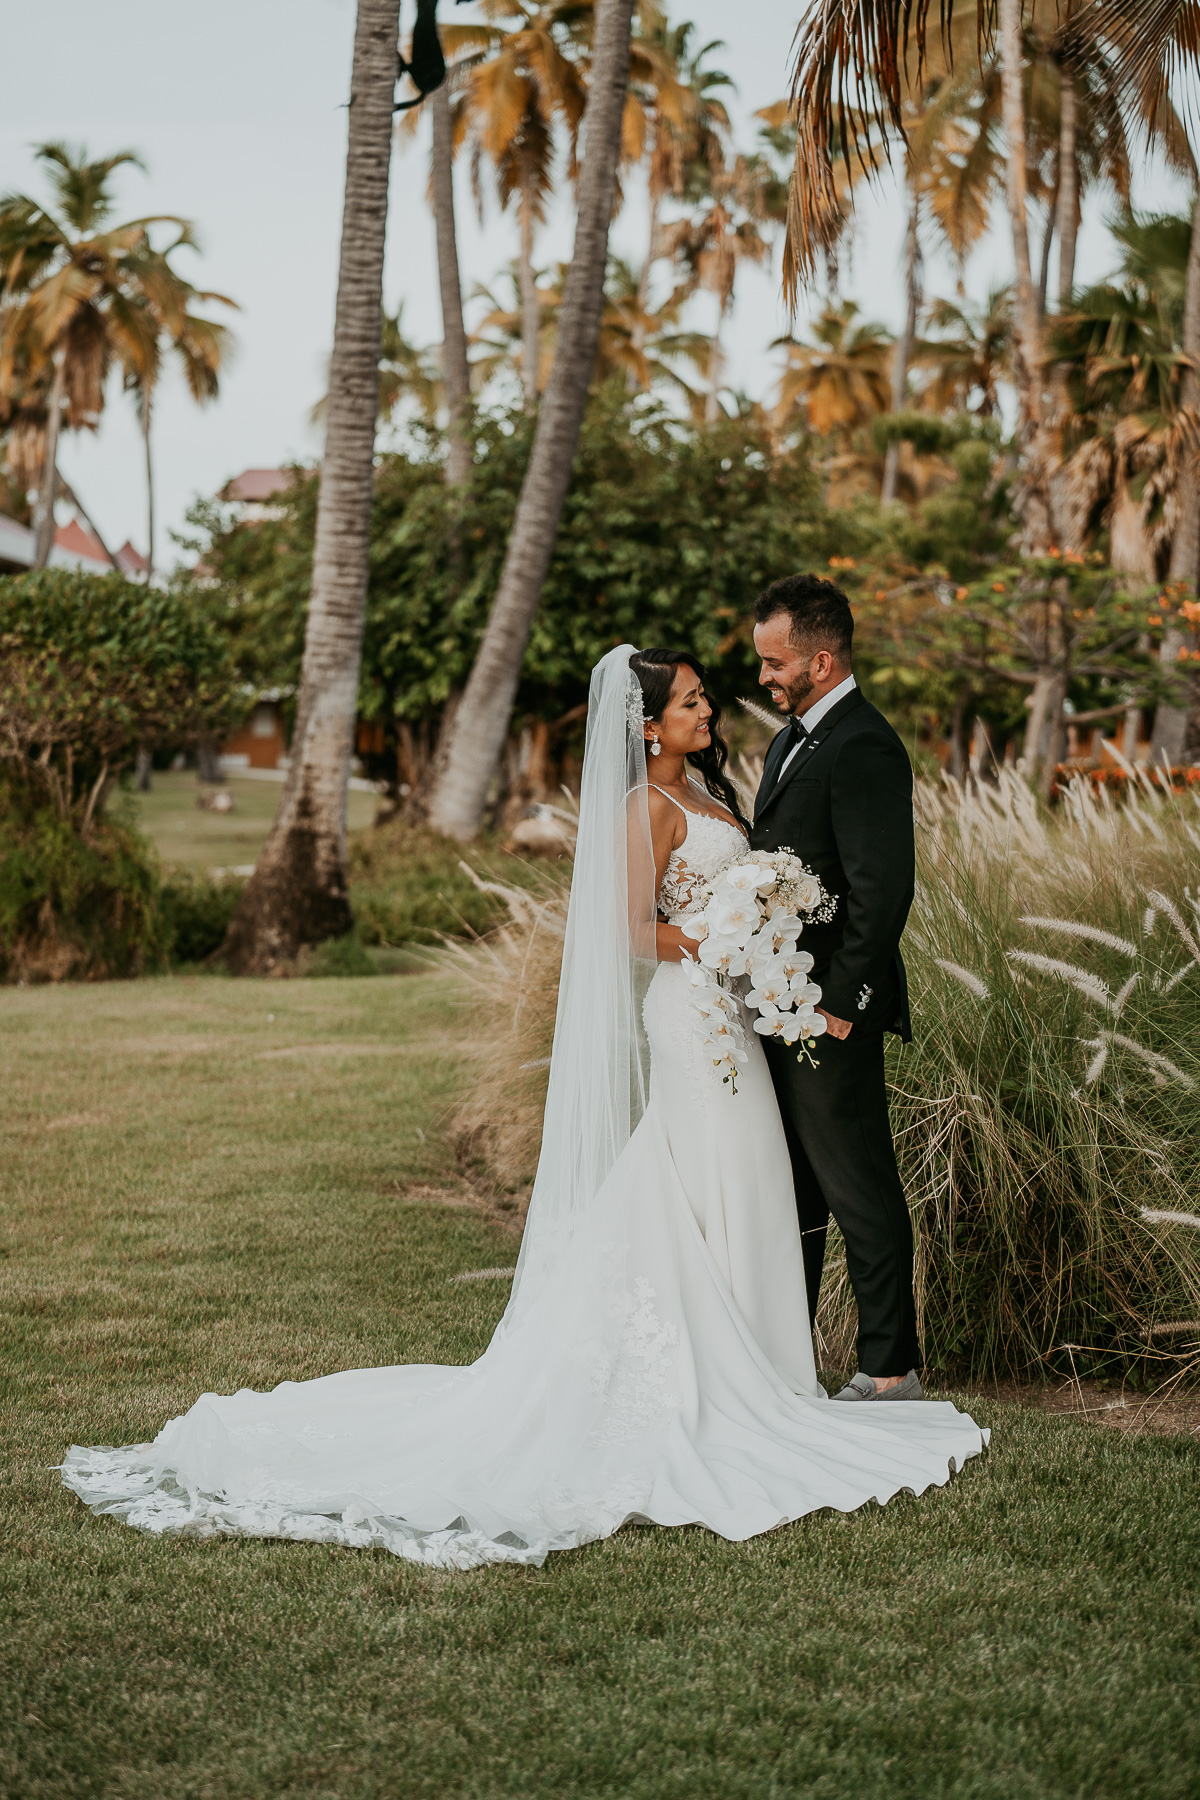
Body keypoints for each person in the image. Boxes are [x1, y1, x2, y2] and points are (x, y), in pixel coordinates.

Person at [61, 643, 984, 1571]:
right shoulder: (643, 808)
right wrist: (715, 936)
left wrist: (756, 934)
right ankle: (717, 1384)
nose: (712, 714)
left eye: (708, 700)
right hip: (696, 1016)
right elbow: (627, 931)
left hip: (736, 1014)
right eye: (696, 703)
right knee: (713, 1170)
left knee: (741, 1180)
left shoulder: (709, 794)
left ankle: (764, 1373)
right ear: (648, 724)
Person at [750, 573, 921, 1401]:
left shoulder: (864, 744)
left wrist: (840, 1007)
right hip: (782, 1005)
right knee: (797, 1190)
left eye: (775, 663)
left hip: (828, 1013)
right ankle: (790, 1357)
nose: (764, 678)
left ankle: (890, 1367)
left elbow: (882, 890)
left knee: (858, 1186)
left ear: (820, 660)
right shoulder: (792, 740)